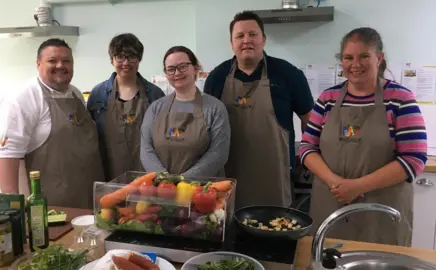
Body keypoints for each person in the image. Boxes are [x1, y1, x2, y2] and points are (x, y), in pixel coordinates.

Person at [299, 27, 427, 246]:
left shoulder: (400, 99)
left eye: (364, 56)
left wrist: (358, 187)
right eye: (348, 58)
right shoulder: (327, 98)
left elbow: (413, 159)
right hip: (330, 208)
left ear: (379, 58)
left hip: (379, 214)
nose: (355, 64)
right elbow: (306, 148)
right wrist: (336, 183)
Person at [204, 11, 313, 208]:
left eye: (253, 34)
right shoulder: (216, 78)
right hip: (228, 177)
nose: (246, 41)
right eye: (240, 36)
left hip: (274, 179)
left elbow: (309, 120)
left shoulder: (288, 74)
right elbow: (206, 127)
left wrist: (308, 158)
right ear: (231, 43)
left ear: (263, 39)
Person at [0, 38, 104, 209]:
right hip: (48, 211)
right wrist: (14, 214)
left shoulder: (75, 94)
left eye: (66, 61)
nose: (60, 65)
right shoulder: (23, 98)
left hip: (86, 202)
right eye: (52, 60)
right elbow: (7, 159)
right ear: (38, 64)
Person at [140, 46, 230, 177]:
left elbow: (218, 154)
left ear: (195, 68)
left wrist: (183, 181)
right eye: (171, 69)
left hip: (203, 190)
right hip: (162, 189)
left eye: (183, 66)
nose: (177, 73)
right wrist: (165, 180)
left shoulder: (215, 108)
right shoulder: (155, 108)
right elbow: (146, 149)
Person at [88, 33, 165, 181]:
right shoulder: (98, 95)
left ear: (139, 59)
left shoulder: (155, 94)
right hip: (109, 174)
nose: (126, 62)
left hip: (147, 176)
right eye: (120, 57)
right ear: (112, 60)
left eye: (132, 56)